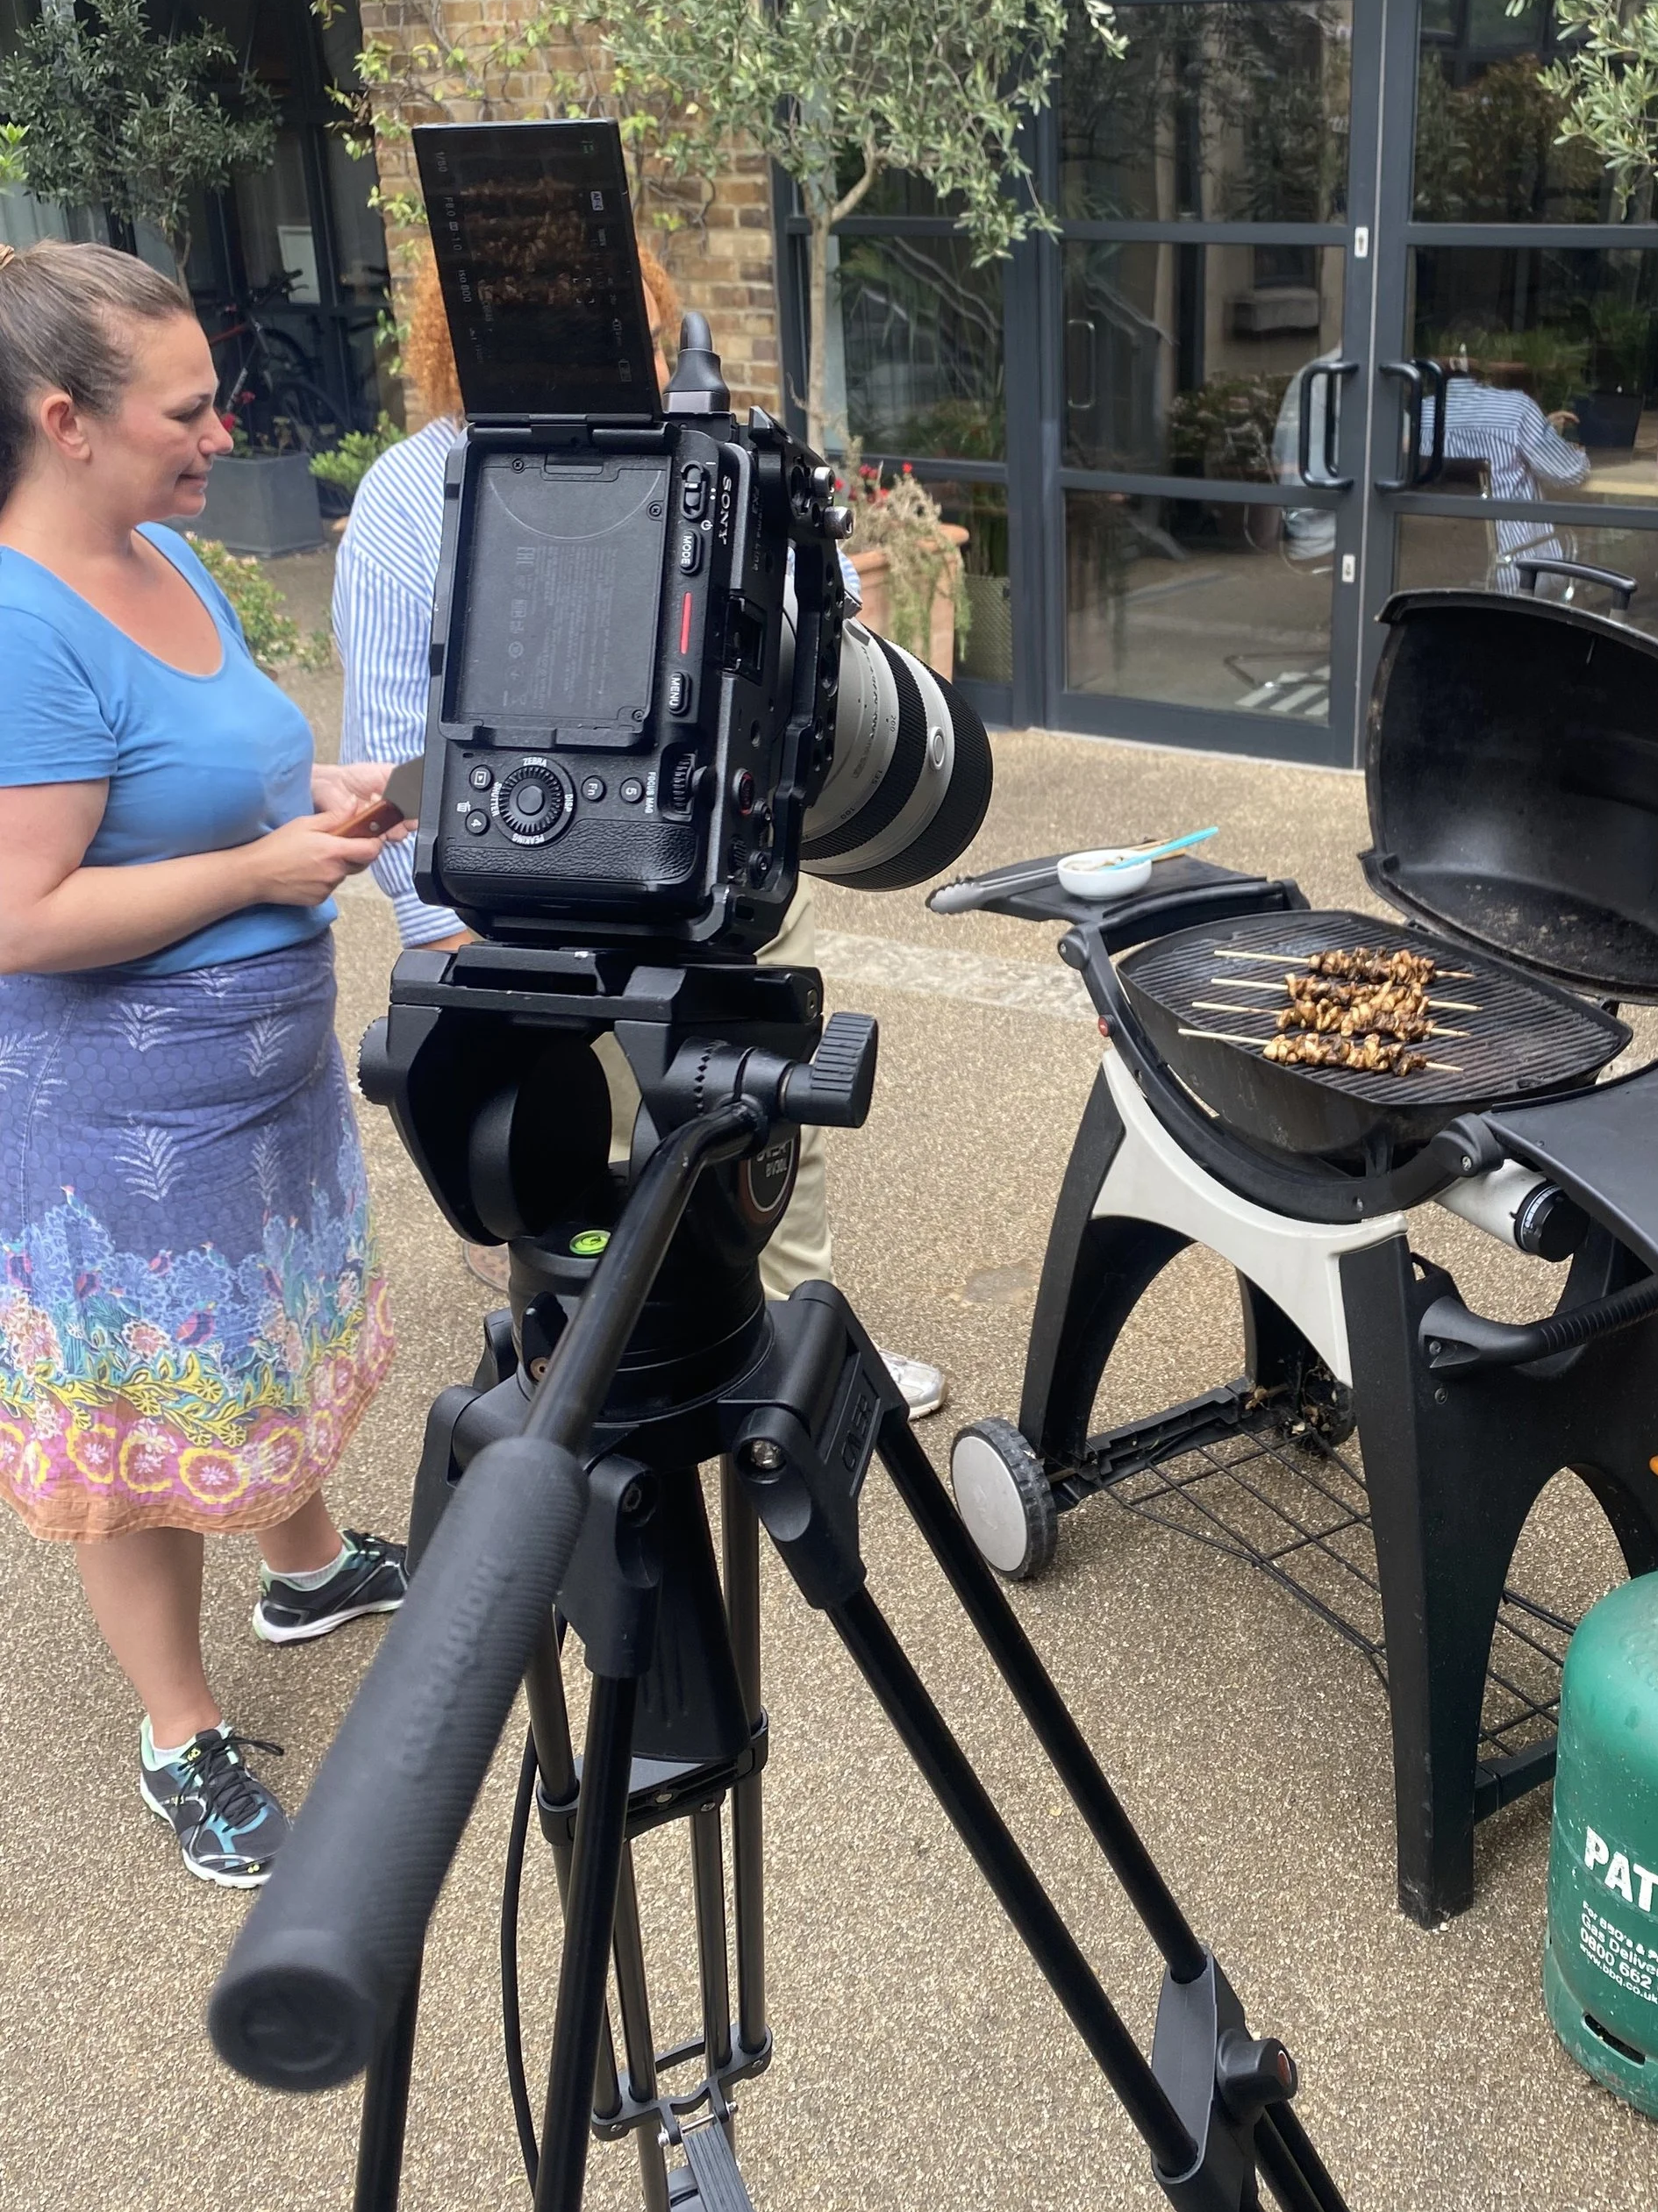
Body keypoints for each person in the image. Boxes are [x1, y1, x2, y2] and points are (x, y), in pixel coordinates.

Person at [333, 260, 949, 1417]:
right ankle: (608, 1398)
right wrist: (468, 953)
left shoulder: (700, 465)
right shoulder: (410, 498)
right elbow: (388, 752)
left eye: (656, 343)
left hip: (727, 867)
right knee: (612, 1174)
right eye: (635, 340)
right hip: (547, 918)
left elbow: (833, 618)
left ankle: (794, 1364)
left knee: (766, 1130)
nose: (648, 367)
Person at [0, 242, 409, 1887]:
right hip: (117, 1122)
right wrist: (256, 875)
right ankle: (179, 1731)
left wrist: (318, 790)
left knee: (263, 1343)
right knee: (150, 1419)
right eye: (185, 406)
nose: (221, 428)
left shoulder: (161, 549)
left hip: (256, 1091)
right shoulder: (23, 627)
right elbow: (23, 914)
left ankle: (303, 1564)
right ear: (63, 422)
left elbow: (209, 766)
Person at [1420, 351, 1590, 590]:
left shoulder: (1421, 413)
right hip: (1512, 573)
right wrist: (1571, 448)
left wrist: (1542, 428)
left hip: (1440, 572)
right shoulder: (1517, 409)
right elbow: (1568, 472)